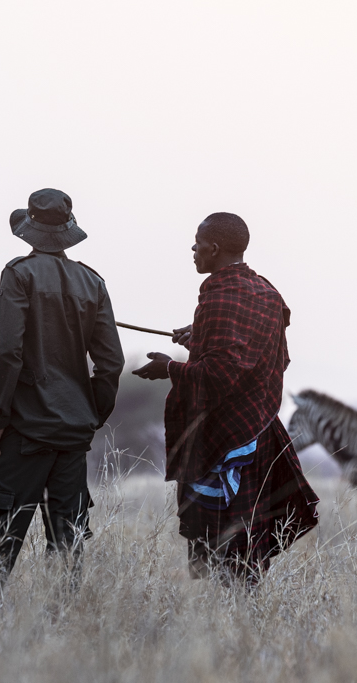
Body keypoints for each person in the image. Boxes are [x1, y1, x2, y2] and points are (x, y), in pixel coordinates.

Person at [133, 212, 318, 583]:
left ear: (214, 248)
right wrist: (200, 338)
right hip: (260, 430)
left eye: (198, 243)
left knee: (220, 545)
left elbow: (219, 374)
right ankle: (239, 611)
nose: (193, 249)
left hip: (226, 441)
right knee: (247, 545)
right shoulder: (266, 292)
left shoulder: (219, 297)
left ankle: (226, 612)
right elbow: (269, 359)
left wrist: (169, 368)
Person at [0, 188, 125, 598]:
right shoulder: (93, 282)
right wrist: (89, 416)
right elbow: (111, 363)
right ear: (68, 230)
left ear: (29, 229)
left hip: (25, 429)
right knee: (68, 539)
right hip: (73, 433)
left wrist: (0, 418)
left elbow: (6, 353)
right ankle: (65, 621)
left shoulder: (18, 274)